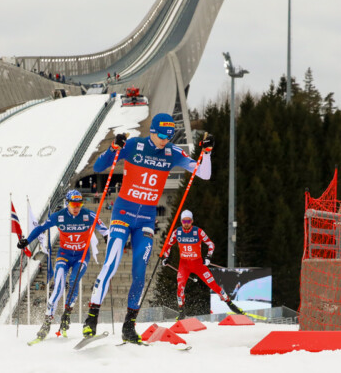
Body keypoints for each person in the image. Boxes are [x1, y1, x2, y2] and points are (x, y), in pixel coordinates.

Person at [83, 113, 214, 343]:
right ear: (152, 131)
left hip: (145, 220)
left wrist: (207, 154)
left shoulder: (172, 152)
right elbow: (99, 165)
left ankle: (129, 326)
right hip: (122, 214)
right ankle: (91, 318)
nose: (166, 139)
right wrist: (114, 148)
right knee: (112, 263)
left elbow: (204, 173)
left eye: (170, 134)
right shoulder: (135, 145)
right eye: (162, 134)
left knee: (140, 272)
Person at [17, 190, 109, 340]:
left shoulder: (87, 215)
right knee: (59, 286)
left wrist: (107, 237)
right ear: (67, 203)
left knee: (73, 281)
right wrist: (27, 241)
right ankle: (47, 322)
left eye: (79, 204)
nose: (76, 207)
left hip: (81, 256)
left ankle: (67, 314)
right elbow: (40, 228)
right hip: (64, 255)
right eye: (73, 204)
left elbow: (104, 228)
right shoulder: (59, 216)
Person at [162, 210, 245, 320]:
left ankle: (231, 304)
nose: (186, 223)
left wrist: (208, 257)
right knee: (180, 287)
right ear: (181, 221)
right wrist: (166, 258)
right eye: (184, 221)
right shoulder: (177, 232)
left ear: (192, 221)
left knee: (213, 285)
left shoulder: (198, 232)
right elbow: (168, 245)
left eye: (188, 221)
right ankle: (181, 312)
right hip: (184, 264)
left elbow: (211, 244)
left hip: (198, 264)